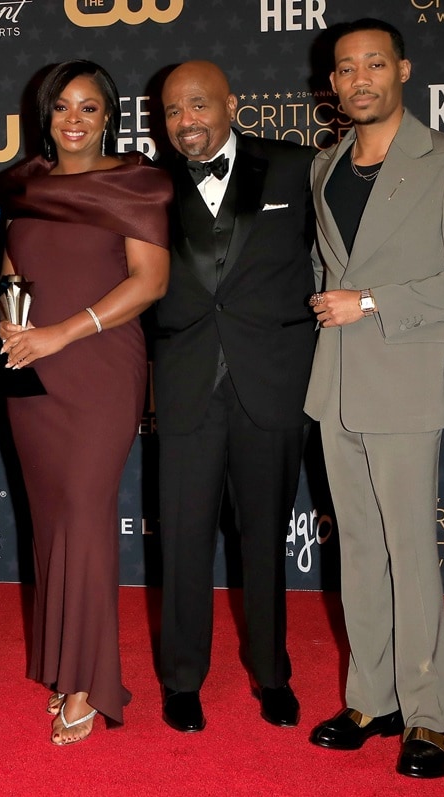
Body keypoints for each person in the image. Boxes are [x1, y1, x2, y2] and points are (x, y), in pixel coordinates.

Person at [304, 18, 444, 779]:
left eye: (374, 64)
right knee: (357, 551)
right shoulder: (324, 166)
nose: (359, 79)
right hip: (337, 387)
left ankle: (429, 717)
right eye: (346, 68)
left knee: (410, 553)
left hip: (404, 380)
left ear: (403, 71)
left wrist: (374, 300)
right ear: (334, 83)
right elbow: (331, 271)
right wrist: (339, 305)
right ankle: (372, 699)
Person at [0, 60, 171, 745]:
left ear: (110, 116)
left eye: (89, 107)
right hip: (31, 364)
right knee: (51, 519)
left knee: (86, 516)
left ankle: (91, 682)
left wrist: (60, 334)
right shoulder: (25, 185)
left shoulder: (136, 182)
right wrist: (14, 319)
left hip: (98, 365)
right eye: (62, 106)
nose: (74, 118)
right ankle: (69, 664)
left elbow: (150, 281)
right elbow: (15, 263)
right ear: (46, 115)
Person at [152, 61, 316, 733]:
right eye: (171, 111)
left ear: (231, 103)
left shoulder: (296, 167)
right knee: (184, 539)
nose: (186, 120)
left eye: (199, 105)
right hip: (187, 381)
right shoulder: (146, 185)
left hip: (271, 380)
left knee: (265, 538)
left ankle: (272, 671)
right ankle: (182, 678)